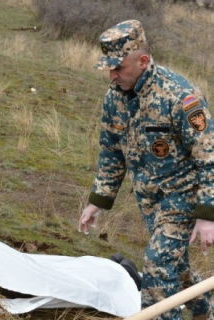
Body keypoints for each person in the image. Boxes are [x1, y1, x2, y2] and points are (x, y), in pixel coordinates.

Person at [78, 20, 214, 319]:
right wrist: (97, 200)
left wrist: (207, 215)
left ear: (142, 61)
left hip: (183, 196)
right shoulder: (115, 98)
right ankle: (206, 310)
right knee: (174, 266)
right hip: (149, 198)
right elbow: (112, 151)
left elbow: (209, 156)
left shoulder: (180, 96)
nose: (112, 76)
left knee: (157, 266)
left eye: (119, 68)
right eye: (109, 69)